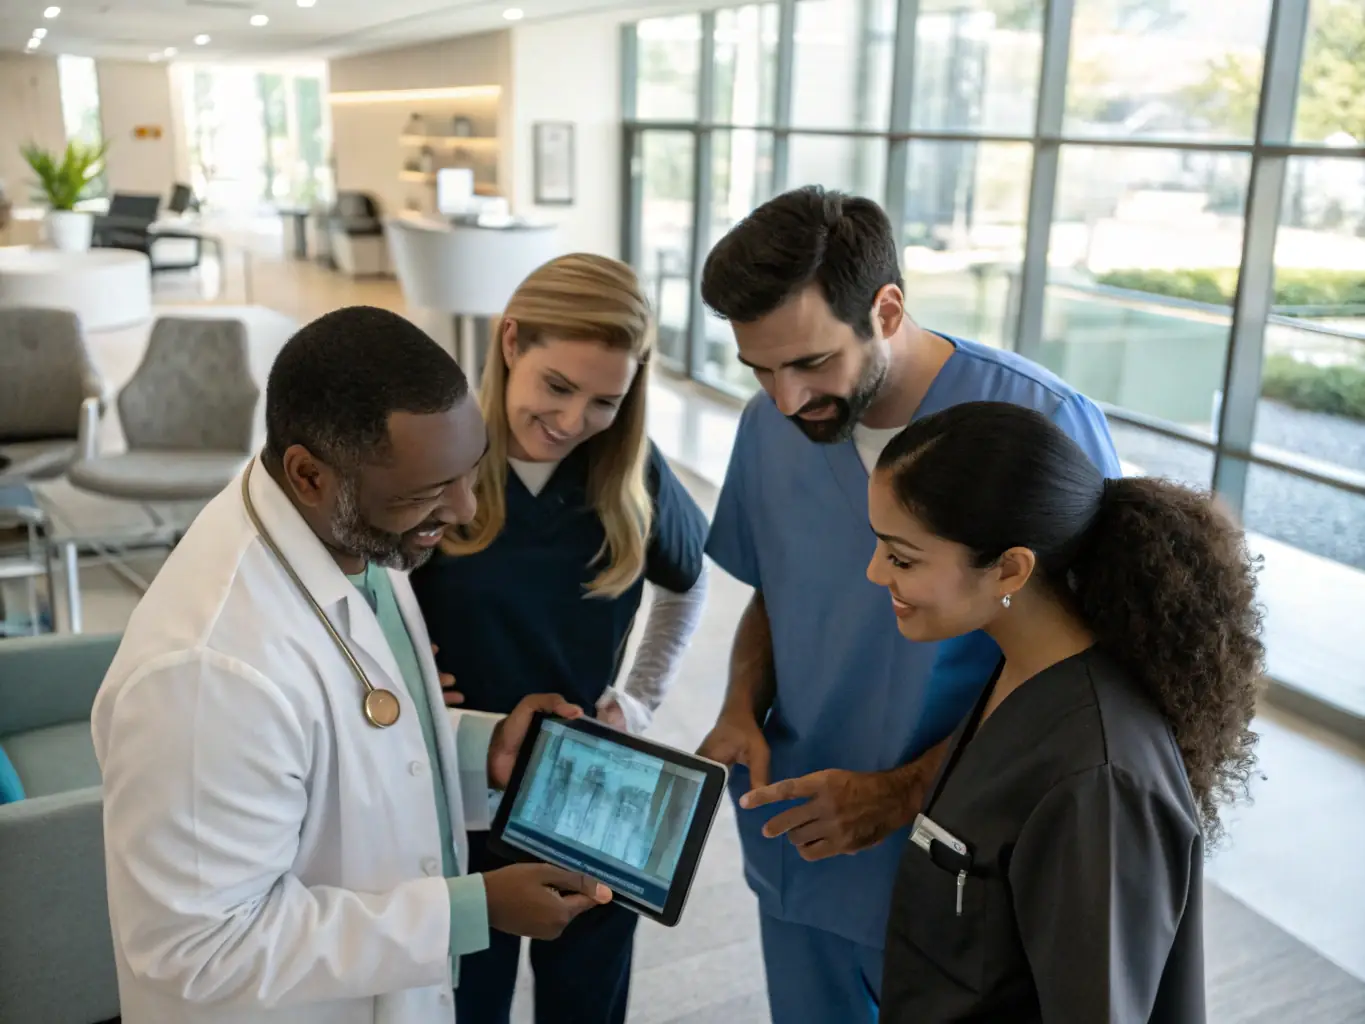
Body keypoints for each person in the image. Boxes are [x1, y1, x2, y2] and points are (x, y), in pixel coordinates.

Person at [92, 306, 613, 1024]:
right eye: (429, 491)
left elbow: (343, 736)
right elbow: (200, 950)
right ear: (309, 473)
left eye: (470, 472)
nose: (462, 510)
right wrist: (470, 910)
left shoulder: (357, 532)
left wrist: (477, 752)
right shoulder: (207, 674)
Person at [695, 185, 1121, 1022]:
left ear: (885, 308)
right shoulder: (767, 426)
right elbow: (775, 590)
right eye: (760, 368)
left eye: (812, 363)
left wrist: (903, 790)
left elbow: (1086, 675)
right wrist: (741, 705)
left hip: (962, 853)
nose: (785, 399)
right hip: (803, 840)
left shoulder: (1042, 424)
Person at [862, 401, 1262, 1021]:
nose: (874, 572)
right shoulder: (1018, 670)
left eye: (902, 557)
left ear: (1010, 568)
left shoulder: (1097, 779)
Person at [411, 254, 709, 1024]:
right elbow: (356, 596)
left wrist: (636, 703)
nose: (574, 421)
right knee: (462, 1002)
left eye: (605, 400)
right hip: (453, 794)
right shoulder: (437, 462)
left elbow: (688, 584)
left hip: (586, 796)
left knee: (585, 1004)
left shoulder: (630, 474)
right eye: (556, 386)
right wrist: (401, 671)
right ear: (511, 343)